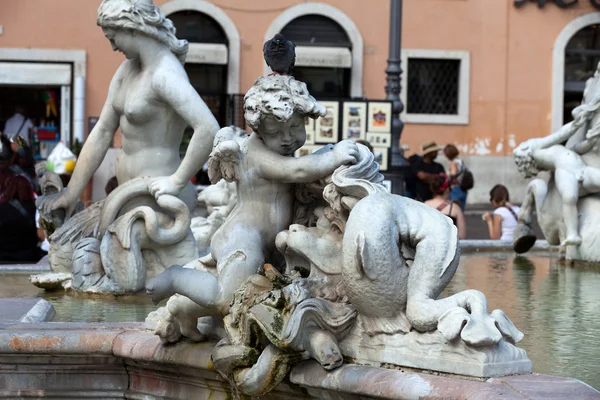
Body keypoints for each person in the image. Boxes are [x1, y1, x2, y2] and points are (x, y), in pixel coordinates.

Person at [146, 74, 359, 324]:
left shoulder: (277, 149)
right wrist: (333, 157)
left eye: (294, 127)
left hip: (265, 241)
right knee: (227, 297)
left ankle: (185, 311)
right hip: (243, 237)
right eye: (275, 132)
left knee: (249, 297)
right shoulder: (255, 153)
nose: (288, 138)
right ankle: (175, 278)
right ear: (258, 130)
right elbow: (297, 170)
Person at [37, 0, 219, 226]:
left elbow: (209, 128)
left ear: (132, 28)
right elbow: (102, 131)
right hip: (127, 196)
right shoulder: (126, 71)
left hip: (159, 202)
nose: (113, 46)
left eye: (113, 37)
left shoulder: (165, 74)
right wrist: (71, 192)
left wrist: (177, 181)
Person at [0, 160, 43, 263]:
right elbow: (39, 235)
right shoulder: (35, 209)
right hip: (28, 257)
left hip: (3, 257)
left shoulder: (2, 208)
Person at [425, 174, 466, 239]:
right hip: (448, 247)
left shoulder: (425, 205)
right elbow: (462, 236)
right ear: (447, 189)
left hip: (428, 246)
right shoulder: (455, 208)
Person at [444, 144, 468, 211]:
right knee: (461, 210)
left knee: (455, 210)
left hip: (455, 189)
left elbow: (453, 174)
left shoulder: (453, 163)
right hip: (463, 188)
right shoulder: (461, 162)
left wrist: (448, 178)